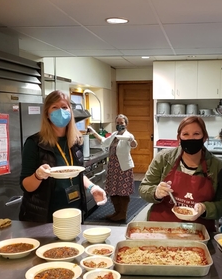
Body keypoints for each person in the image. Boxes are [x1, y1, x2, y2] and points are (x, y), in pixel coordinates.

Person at [19, 90, 107, 223]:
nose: (61, 111)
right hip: (44, 216)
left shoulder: (76, 141)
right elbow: (26, 185)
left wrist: (92, 188)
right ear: (47, 114)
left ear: (70, 112)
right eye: (55, 107)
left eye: (64, 107)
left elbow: (77, 174)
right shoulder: (35, 143)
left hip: (74, 212)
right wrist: (38, 175)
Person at [139, 116, 222, 232]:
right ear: (179, 138)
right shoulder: (164, 159)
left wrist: (205, 208)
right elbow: (143, 188)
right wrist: (156, 192)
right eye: (185, 134)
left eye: (196, 134)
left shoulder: (217, 167)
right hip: (161, 227)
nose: (191, 138)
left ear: (204, 137)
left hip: (198, 230)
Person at [88, 114, 138, 222]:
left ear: (126, 124)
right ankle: (117, 212)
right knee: (113, 191)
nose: (120, 125)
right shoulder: (114, 135)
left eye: (122, 123)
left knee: (123, 192)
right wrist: (93, 132)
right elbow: (103, 141)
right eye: (118, 123)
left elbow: (134, 144)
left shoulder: (128, 136)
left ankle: (122, 214)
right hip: (113, 167)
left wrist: (131, 140)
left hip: (123, 168)